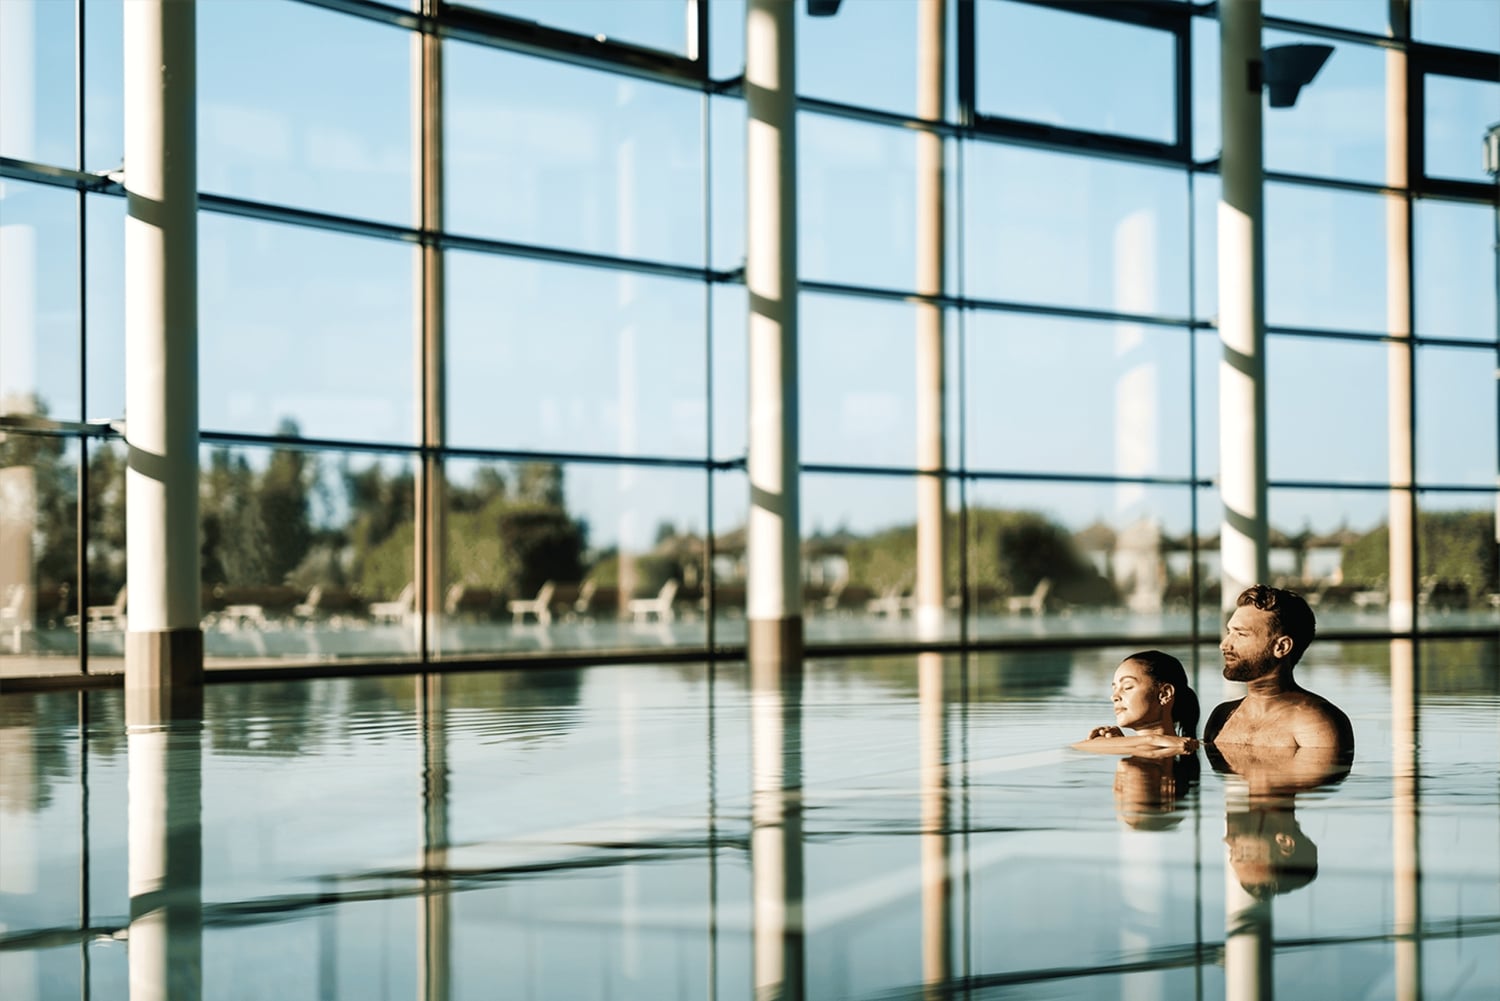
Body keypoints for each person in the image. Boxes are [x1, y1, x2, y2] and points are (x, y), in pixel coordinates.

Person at [1206, 585, 1355, 751]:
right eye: (1229, 632)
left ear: (1282, 647)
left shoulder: (1316, 723)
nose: (1224, 645)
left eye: (1241, 634)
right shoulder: (1222, 716)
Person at [1073, 650, 1200, 757]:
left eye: (1127, 687)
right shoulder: (1164, 744)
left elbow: (1077, 747)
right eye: (1114, 688)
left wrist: (1141, 742)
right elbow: (1079, 746)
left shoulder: (1180, 746)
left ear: (1165, 694)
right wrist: (1139, 741)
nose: (1114, 697)